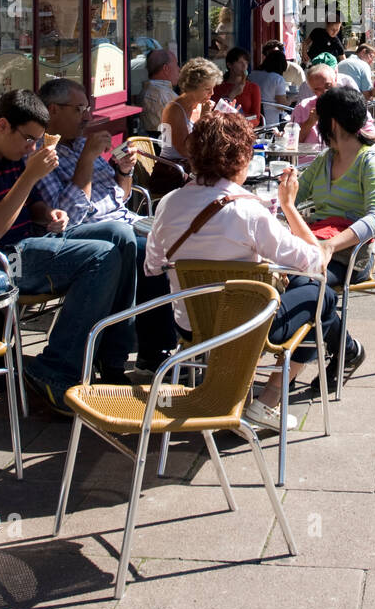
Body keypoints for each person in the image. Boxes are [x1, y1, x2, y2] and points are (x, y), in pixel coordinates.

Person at [144, 113, 363, 430]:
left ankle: (342, 352)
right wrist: (288, 206)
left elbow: (152, 266)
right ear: (241, 158)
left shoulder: (168, 203)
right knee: (323, 296)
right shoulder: (248, 211)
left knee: (304, 287)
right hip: (249, 328)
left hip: (192, 328)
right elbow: (317, 262)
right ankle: (268, 399)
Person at [0, 88, 136, 415]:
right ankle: (55, 370)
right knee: (100, 257)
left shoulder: (12, 155)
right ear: (2, 125)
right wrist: (29, 177)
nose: (31, 148)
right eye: (28, 139)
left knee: (120, 235)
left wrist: (46, 214)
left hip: (28, 242)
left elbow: (30, 206)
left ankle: (111, 359)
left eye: (36, 141)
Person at [36, 79, 176, 375]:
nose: (86, 116)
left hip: (123, 220)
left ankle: (182, 339)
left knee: (181, 240)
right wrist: (87, 159)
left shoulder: (80, 143)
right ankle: (152, 351)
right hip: (88, 235)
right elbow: (69, 215)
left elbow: (120, 196)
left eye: (87, 108)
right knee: (150, 252)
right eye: (79, 109)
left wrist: (124, 170)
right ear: (52, 111)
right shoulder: (43, 152)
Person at [285, 85, 375, 388]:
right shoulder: (325, 160)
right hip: (317, 246)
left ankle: (287, 372)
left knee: (304, 286)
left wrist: (332, 244)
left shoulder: (370, 161)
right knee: (285, 280)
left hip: (351, 255)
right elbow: (294, 198)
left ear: (331, 123)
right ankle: (345, 349)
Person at [152, 57, 223, 195]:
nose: (212, 93)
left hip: (194, 169)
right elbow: (186, 150)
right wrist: (204, 120)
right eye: (207, 89)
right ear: (192, 87)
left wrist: (224, 117)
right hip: (172, 172)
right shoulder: (174, 109)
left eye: (213, 88)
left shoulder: (201, 105)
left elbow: (208, 141)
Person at [291, 55, 375, 153]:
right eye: (317, 89)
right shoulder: (303, 107)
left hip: (345, 164)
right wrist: (310, 122)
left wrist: (351, 127)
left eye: (328, 86)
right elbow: (291, 144)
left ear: (336, 79)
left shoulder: (353, 106)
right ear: (311, 88)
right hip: (308, 164)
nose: (324, 92)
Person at [213, 47, 262, 125]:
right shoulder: (218, 87)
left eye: (246, 62)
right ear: (229, 65)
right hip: (223, 128)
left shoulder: (253, 88)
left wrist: (240, 122)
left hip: (244, 129)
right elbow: (214, 114)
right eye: (240, 62)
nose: (244, 65)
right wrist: (232, 95)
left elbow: (256, 118)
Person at [140, 46, 180, 133]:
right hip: (168, 143)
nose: (178, 69)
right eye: (176, 64)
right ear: (166, 69)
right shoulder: (163, 94)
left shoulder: (146, 90)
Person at [249, 46, 290, 126]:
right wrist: (291, 100)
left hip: (253, 117)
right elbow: (282, 106)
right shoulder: (277, 79)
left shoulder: (253, 74)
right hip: (272, 121)